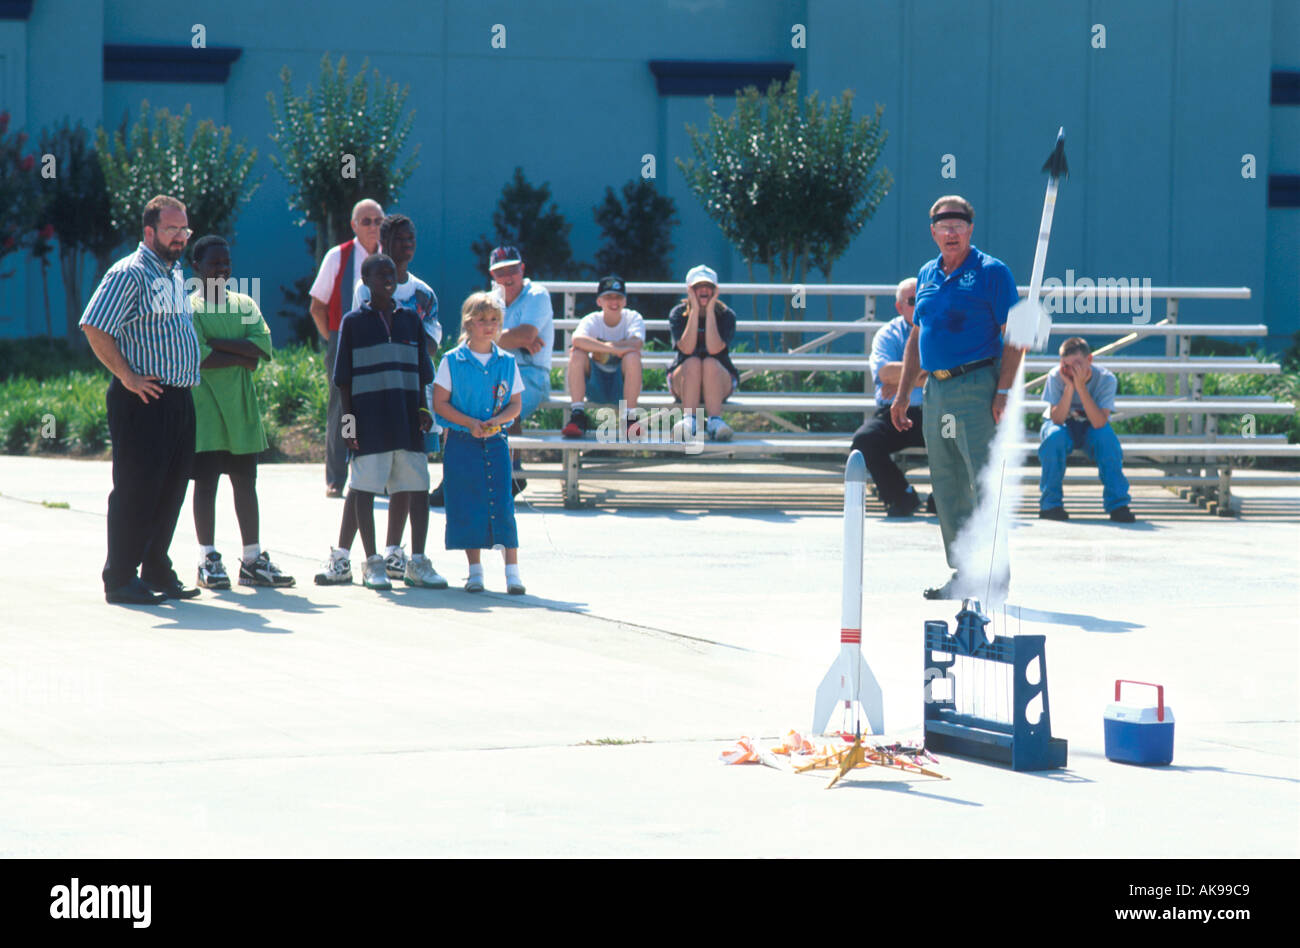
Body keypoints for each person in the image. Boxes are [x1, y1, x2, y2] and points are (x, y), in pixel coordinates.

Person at [890, 195, 1026, 599]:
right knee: (947, 487)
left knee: (984, 483)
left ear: (970, 229)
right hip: (936, 390)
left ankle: (995, 577)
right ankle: (964, 573)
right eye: (943, 226)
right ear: (932, 232)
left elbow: (1015, 335)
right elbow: (917, 335)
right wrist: (902, 396)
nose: (951, 232)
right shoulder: (927, 274)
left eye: (958, 225)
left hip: (977, 385)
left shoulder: (992, 272)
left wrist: (1003, 390)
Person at [80, 194, 201, 605]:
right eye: (172, 230)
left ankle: (155, 568)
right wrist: (128, 377)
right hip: (143, 400)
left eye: (185, 229)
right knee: (137, 489)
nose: (181, 237)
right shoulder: (128, 273)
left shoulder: (173, 271)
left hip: (178, 399)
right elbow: (95, 327)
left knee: (171, 488)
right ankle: (120, 578)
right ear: (149, 232)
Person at [319, 253, 445, 591]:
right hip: (369, 423)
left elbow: (422, 373)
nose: (388, 279)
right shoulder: (353, 323)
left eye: (391, 274)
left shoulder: (410, 321)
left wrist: (422, 409)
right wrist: (349, 427)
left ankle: (417, 562)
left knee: (416, 487)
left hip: (407, 421)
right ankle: (372, 562)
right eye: (380, 275)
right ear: (366, 281)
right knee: (363, 490)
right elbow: (342, 380)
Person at [188, 235, 294, 589]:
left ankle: (252, 559)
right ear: (196, 268)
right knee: (205, 485)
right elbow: (199, 357)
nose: (222, 269)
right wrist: (238, 355)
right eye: (214, 263)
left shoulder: (244, 303)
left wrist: (217, 346)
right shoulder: (188, 308)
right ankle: (208, 557)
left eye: (226, 263)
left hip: (242, 412)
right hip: (205, 412)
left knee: (246, 484)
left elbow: (262, 347)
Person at [342, 213, 441, 580]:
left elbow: (427, 347)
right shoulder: (364, 289)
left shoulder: (423, 296)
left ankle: (398, 551)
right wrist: (348, 420)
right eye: (400, 239)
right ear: (383, 242)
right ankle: (348, 554)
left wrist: (403, 334)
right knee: (364, 479)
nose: (408, 245)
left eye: (412, 238)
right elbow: (354, 353)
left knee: (410, 476)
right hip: (371, 402)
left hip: (408, 395)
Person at [432, 292, 526, 594]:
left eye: (494, 320)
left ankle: (512, 571)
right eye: (482, 320)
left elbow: (514, 404)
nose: (489, 326)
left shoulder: (507, 362)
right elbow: (440, 403)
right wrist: (469, 423)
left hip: (495, 441)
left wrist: (495, 423)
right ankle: (474, 571)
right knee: (466, 502)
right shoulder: (452, 361)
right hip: (462, 442)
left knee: (502, 501)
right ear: (468, 323)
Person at [308, 198, 384, 498]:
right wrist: (334, 339)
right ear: (354, 225)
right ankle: (336, 478)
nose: (373, 227)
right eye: (366, 221)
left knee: (380, 405)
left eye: (378, 221)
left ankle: (380, 477)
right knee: (342, 409)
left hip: (381, 340)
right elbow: (317, 306)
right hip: (343, 339)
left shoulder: (389, 256)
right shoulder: (337, 256)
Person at [851, 277, 935, 516]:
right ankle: (902, 496)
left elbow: (949, 373)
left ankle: (942, 499)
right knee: (864, 441)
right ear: (899, 307)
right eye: (912, 300)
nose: (919, 305)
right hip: (894, 412)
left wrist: (901, 381)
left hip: (934, 411)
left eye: (923, 298)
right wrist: (925, 373)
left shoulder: (942, 330)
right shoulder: (888, 333)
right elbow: (884, 373)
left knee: (955, 436)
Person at [1038, 337, 1136, 522]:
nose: (1071, 370)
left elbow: (1099, 422)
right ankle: (1050, 505)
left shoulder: (1106, 379)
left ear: (1089, 360)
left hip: (1092, 425)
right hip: (1062, 425)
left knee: (1107, 440)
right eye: (1066, 365)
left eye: (1077, 364)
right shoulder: (1056, 376)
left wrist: (1081, 387)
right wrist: (1069, 387)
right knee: (1053, 438)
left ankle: (1118, 505)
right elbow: (1057, 419)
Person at [490, 245, 553, 496]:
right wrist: (515, 339)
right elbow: (470, 338)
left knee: (504, 398)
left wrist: (491, 337)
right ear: (492, 275)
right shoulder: (490, 299)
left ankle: (511, 474)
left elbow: (527, 335)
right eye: (500, 272)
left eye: (512, 270)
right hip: (498, 370)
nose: (507, 277)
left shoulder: (537, 294)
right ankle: (503, 475)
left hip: (532, 374)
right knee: (465, 398)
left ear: (522, 269)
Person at [561, 275, 645, 440]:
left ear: (625, 301)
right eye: (608, 297)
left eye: (618, 297)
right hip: (596, 385)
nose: (614, 302)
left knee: (633, 357)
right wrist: (612, 349)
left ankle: (629, 418)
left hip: (620, 386)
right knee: (577, 353)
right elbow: (577, 340)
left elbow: (636, 344)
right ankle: (577, 415)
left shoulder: (633, 317)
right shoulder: (592, 319)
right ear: (599, 301)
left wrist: (598, 346)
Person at [667, 265, 739, 441]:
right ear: (690, 289)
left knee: (709, 362)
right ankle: (689, 421)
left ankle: (715, 421)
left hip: (718, 381)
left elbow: (715, 349)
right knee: (693, 361)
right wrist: (695, 311)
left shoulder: (727, 315)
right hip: (684, 381)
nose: (704, 290)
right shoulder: (678, 314)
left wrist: (710, 310)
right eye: (698, 286)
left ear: (715, 290)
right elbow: (687, 349)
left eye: (708, 286)